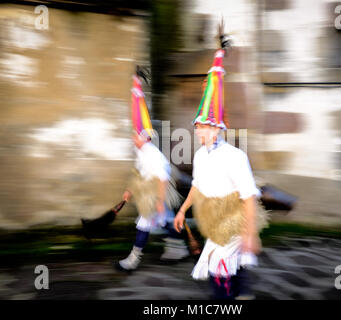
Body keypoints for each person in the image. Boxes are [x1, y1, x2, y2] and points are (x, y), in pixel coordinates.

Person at [173, 48, 268, 300]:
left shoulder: (235, 156)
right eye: (197, 127)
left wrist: (250, 235)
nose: (197, 131)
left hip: (233, 224)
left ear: (216, 129)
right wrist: (182, 211)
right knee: (228, 272)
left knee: (218, 271)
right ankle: (241, 294)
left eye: (202, 127)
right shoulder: (200, 155)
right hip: (216, 225)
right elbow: (197, 185)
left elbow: (248, 197)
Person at [113, 72, 188, 271]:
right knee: (166, 221)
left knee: (145, 223)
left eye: (135, 135)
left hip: (158, 191)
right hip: (151, 191)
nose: (132, 138)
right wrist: (130, 190)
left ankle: (133, 260)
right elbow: (138, 172)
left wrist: (160, 202)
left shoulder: (152, 154)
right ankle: (179, 247)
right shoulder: (140, 152)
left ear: (144, 138)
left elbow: (163, 178)